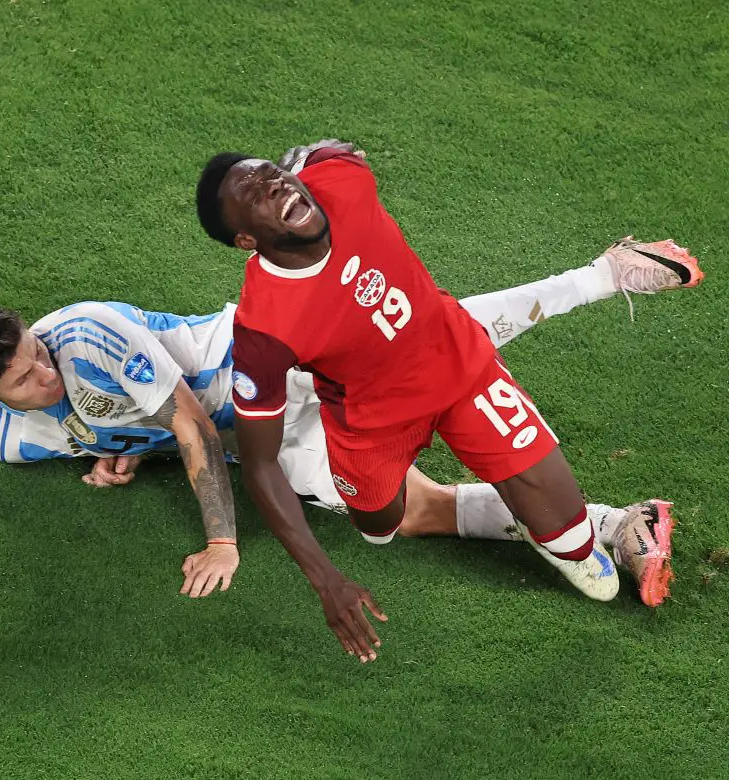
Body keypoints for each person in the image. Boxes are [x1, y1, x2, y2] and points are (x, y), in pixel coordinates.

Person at [0, 247, 697, 607]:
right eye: (23, 379)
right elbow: (128, 429)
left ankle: (603, 275)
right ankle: (620, 525)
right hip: (269, 449)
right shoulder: (14, 442)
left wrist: (223, 540)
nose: (46, 371)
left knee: (429, 342)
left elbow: (191, 426)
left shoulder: (85, 333)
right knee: (405, 514)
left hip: (270, 369)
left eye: (37, 352)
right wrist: (122, 454)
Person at [196, 139, 702, 661]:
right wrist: (326, 581)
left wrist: (311, 155)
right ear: (246, 240)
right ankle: (601, 278)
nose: (275, 186)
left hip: (458, 369)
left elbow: (332, 153)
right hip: (371, 423)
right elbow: (260, 463)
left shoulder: (342, 180)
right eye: (255, 195)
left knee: (573, 547)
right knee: (378, 528)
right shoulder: (265, 328)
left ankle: (601, 282)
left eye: (273, 174)